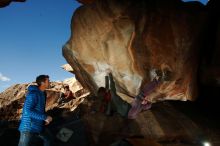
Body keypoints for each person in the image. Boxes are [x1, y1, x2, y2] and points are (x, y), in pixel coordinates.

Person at [18, 75, 53, 146]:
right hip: (28, 127)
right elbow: (28, 110)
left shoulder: (43, 93)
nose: (50, 82)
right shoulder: (33, 94)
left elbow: (39, 109)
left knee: (49, 139)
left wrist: (43, 119)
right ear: (43, 83)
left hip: (38, 125)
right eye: (48, 81)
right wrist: (45, 117)